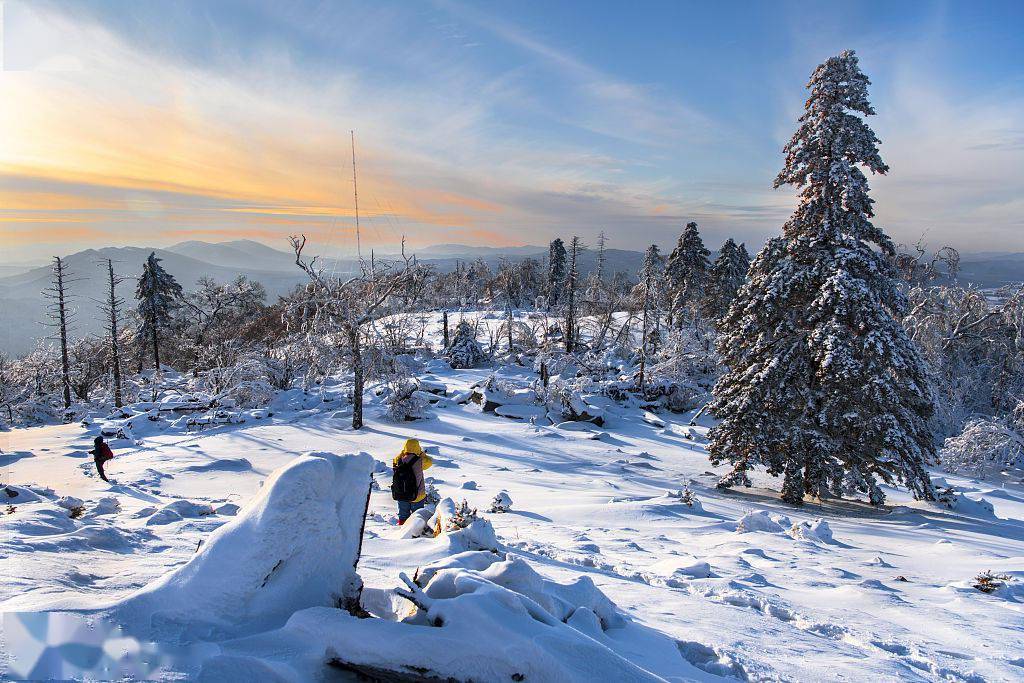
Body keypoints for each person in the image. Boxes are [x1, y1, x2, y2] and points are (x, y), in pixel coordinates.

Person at [391, 438, 433, 524]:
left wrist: (403, 453)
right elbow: (430, 462)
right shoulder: (420, 460)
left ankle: (402, 530)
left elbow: (394, 463)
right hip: (418, 494)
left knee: (403, 516)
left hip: (401, 493)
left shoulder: (398, 460)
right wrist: (421, 453)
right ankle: (416, 533)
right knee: (417, 516)